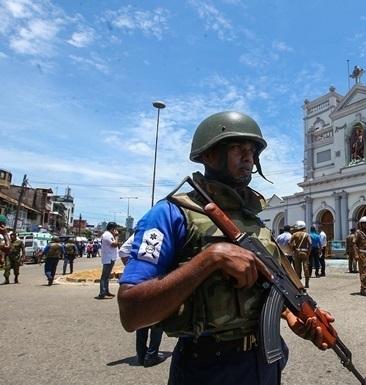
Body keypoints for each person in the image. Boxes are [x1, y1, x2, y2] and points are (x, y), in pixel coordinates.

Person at [117, 111, 332, 385]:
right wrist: (210, 259)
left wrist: (291, 315)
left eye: (252, 151)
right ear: (209, 155)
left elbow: (265, 288)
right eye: (237, 149)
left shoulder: (254, 222)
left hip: (264, 362)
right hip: (206, 368)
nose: (249, 158)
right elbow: (131, 313)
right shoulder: (169, 214)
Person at [119, 235, 166, 367]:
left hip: (140, 281)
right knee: (157, 320)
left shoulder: (140, 234)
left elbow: (123, 251)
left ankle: (141, 354)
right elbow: (122, 251)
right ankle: (151, 355)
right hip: (154, 279)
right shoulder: (157, 231)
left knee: (143, 319)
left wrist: (133, 270)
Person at [97, 222, 119, 299]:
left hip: (110, 258)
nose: (115, 231)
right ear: (112, 228)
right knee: (104, 276)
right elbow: (114, 244)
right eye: (115, 229)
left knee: (106, 276)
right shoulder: (107, 235)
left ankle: (106, 291)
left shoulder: (109, 235)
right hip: (108, 258)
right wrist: (116, 236)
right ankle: (102, 292)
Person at [289, 221, 311, 288]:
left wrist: (293, 248)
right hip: (305, 252)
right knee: (306, 267)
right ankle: (307, 283)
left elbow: (289, 242)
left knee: (297, 268)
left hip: (297, 252)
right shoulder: (306, 235)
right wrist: (309, 252)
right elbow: (310, 243)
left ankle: (298, 283)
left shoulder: (295, 234)